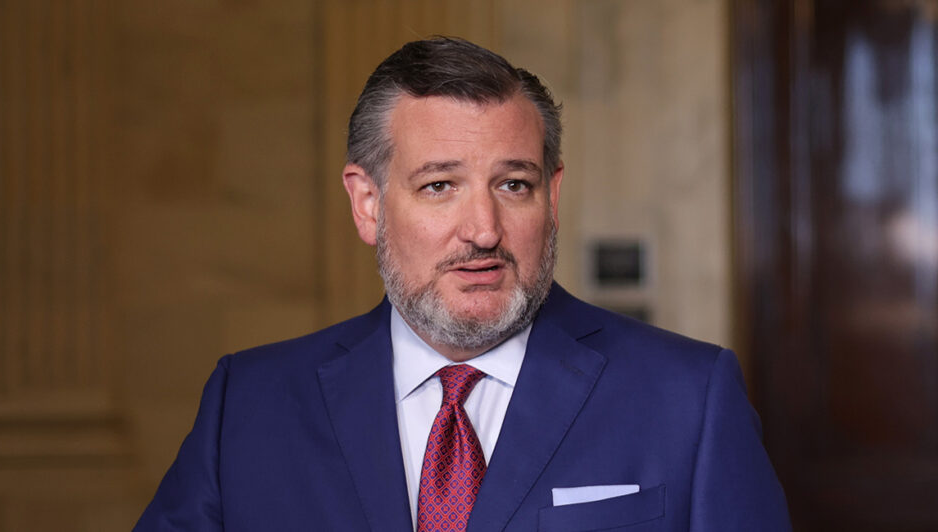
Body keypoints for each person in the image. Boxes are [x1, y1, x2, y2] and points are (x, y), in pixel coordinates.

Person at [135, 37, 791, 531]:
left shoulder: (689, 400)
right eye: (439, 186)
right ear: (368, 204)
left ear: (552, 197)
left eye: (513, 185)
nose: (482, 228)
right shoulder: (248, 407)